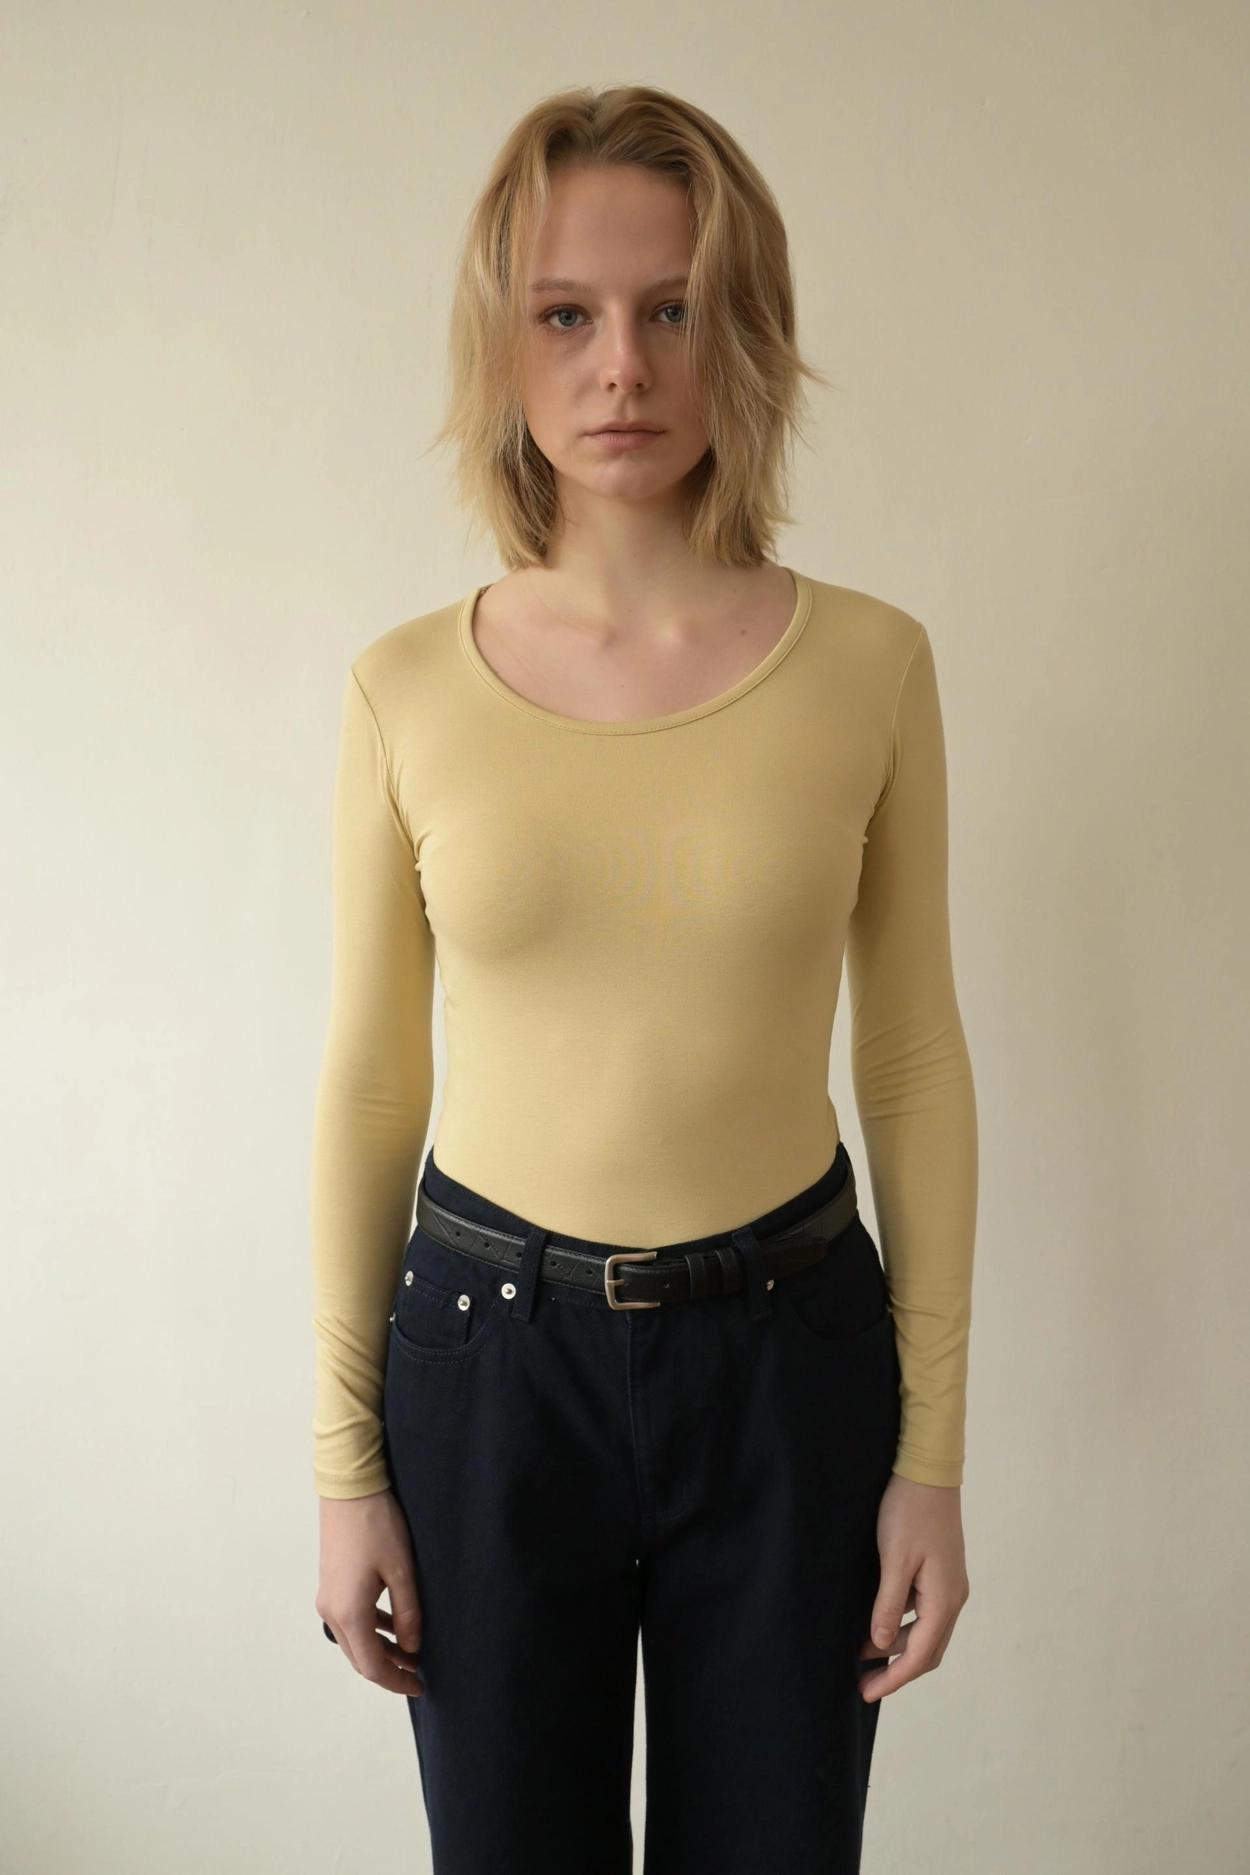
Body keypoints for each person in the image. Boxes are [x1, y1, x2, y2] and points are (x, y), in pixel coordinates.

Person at [310, 81, 977, 1875]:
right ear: (502, 342)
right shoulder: (403, 689)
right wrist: (345, 1465)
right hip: (485, 1363)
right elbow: (370, 1084)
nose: (621, 365)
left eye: (671, 307)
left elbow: (911, 1060)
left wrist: (929, 1455)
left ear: (740, 330)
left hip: (789, 1357)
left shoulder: (869, 665)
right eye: (565, 314)